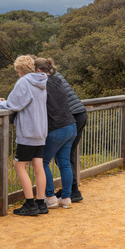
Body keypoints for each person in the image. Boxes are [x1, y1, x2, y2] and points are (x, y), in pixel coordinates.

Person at [0, 55, 48, 216]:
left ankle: (30, 204)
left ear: (19, 70)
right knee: (38, 166)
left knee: (19, 166)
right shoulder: (42, 81)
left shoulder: (24, 82)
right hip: (41, 130)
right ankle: (41, 203)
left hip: (28, 131)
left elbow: (14, 104)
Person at [34, 58, 76, 209]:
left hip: (56, 128)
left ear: (38, 71)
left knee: (42, 162)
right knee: (64, 163)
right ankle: (66, 198)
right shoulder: (57, 80)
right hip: (71, 126)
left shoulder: (42, 83)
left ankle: (50, 197)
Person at [53, 70, 87, 202]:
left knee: (63, 157)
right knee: (68, 155)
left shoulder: (46, 79)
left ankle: (72, 190)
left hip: (71, 117)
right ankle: (72, 190)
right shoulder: (55, 74)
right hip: (80, 113)